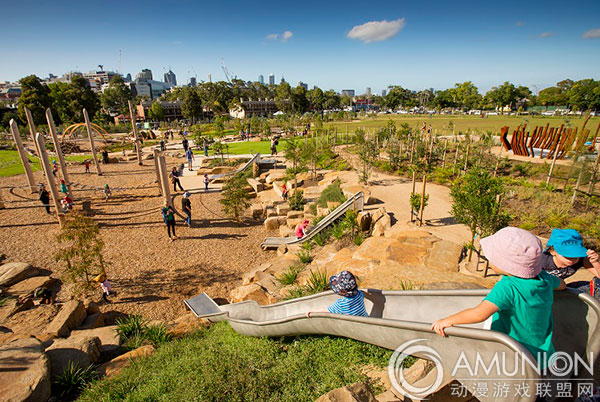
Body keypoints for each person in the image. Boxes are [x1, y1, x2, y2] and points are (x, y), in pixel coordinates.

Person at [431, 227, 566, 370]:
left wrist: (447, 321)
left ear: (506, 264)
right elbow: (562, 285)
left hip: (512, 357)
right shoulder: (545, 279)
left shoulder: (508, 287)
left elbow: (479, 314)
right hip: (543, 356)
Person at [541, 228, 600, 298]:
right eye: (567, 255)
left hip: (559, 288)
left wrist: (595, 262)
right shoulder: (542, 261)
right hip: (542, 290)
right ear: (552, 251)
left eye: (576, 255)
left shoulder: (581, 259)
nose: (572, 259)